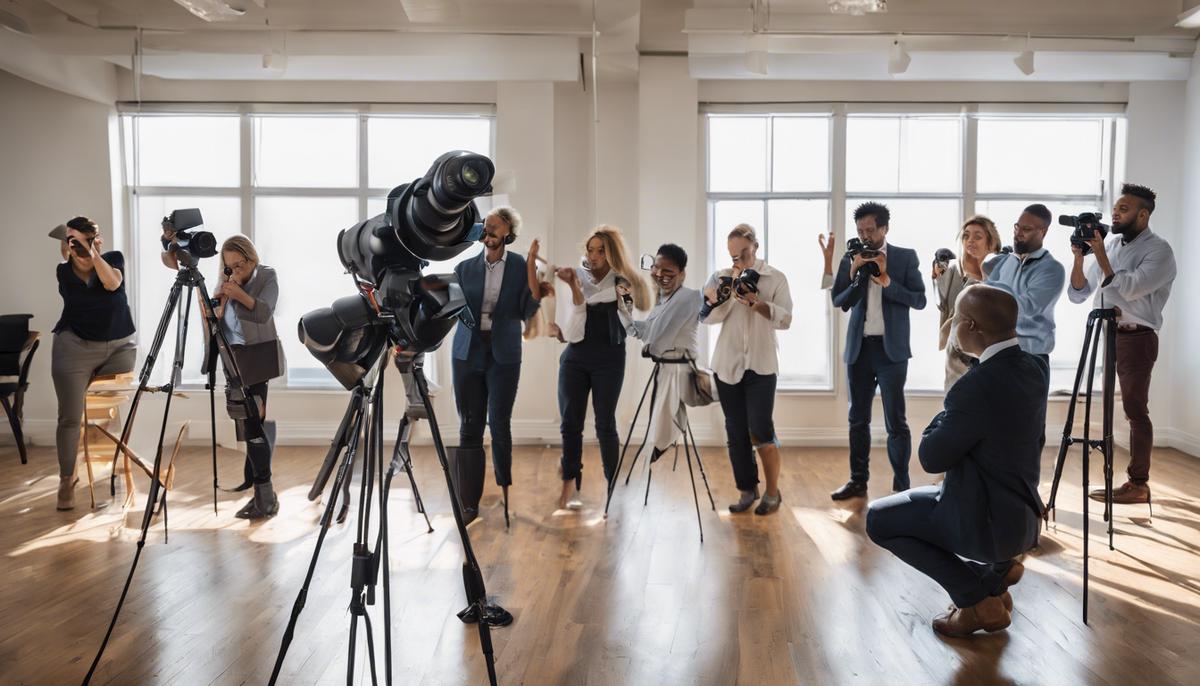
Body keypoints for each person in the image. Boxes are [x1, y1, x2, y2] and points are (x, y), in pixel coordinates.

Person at [866, 285, 1048, 637]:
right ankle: (995, 575)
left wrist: (942, 415)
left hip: (983, 520)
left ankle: (976, 598)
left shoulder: (974, 386)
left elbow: (931, 457)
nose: (950, 324)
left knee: (878, 519)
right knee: (912, 501)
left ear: (971, 327)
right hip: (1022, 515)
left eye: (955, 318)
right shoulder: (1036, 368)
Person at [1068, 183, 1176, 506]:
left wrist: (1100, 255)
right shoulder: (1112, 243)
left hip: (1137, 337)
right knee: (1105, 407)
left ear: (1143, 215)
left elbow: (1129, 288)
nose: (1115, 213)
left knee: (1134, 410)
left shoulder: (1160, 251)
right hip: (1107, 333)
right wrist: (1078, 257)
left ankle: (1138, 483)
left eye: (1124, 209)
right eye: (1115, 208)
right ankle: (1111, 475)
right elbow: (1079, 292)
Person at [449, 206, 548, 524]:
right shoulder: (464, 268)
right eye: (486, 227)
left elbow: (528, 306)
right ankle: (469, 504)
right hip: (467, 352)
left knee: (500, 424)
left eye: (494, 228)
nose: (488, 232)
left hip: (504, 353)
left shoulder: (520, 265)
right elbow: (450, 309)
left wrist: (533, 263)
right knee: (470, 425)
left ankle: (504, 488)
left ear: (508, 233)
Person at [830, 202, 926, 500]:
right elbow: (838, 300)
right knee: (857, 419)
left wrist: (887, 282)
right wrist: (855, 270)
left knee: (895, 422)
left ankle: (901, 484)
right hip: (859, 351)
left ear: (885, 228)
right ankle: (858, 481)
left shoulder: (905, 258)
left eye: (870, 230)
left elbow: (920, 300)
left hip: (891, 353)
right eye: (860, 230)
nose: (865, 236)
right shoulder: (852, 256)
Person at [555, 225, 650, 510]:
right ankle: (569, 482)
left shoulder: (622, 281)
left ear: (611, 254)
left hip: (609, 358)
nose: (594, 256)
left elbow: (631, 317)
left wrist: (624, 294)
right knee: (570, 424)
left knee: (605, 424)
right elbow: (570, 320)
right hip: (575, 357)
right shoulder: (574, 275)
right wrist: (573, 287)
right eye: (590, 249)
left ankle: (613, 484)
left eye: (601, 251)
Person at [701, 224, 792, 515]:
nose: (738, 260)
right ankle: (746, 489)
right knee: (736, 431)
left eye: (744, 253)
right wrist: (724, 294)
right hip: (727, 365)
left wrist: (757, 303)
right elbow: (709, 319)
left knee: (761, 429)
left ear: (755, 247)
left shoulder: (775, 278)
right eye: (733, 255)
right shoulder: (720, 278)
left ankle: (773, 492)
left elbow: (786, 319)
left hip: (762, 366)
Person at [49, 217, 136, 510]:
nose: (74, 246)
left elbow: (111, 283)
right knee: (70, 417)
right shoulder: (64, 272)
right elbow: (76, 266)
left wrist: (93, 252)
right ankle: (66, 478)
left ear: (95, 240)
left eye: (80, 240)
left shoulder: (113, 259)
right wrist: (75, 250)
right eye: (69, 241)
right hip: (74, 347)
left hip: (118, 348)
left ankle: (107, 457)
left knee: (116, 407)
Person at [211, 235, 286, 519]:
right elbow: (219, 320)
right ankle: (259, 488)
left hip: (258, 355)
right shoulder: (226, 280)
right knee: (248, 423)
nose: (233, 270)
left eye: (239, 264)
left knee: (252, 424)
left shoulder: (266, 276)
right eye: (228, 266)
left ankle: (265, 496)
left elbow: (264, 313)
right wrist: (216, 302)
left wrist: (237, 291)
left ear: (251, 258)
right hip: (232, 355)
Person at [627, 243, 702, 462]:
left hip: (679, 370)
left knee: (661, 425)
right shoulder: (662, 300)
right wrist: (624, 310)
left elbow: (655, 339)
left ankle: (657, 447)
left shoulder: (688, 297)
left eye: (668, 271)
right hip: (665, 368)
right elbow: (645, 331)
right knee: (655, 422)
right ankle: (653, 450)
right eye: (656, 269)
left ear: (682, 274)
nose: (660, 274)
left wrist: (646, 342)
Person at [985, 204, 1066, 365]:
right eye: (1017, 227)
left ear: (1043, 232)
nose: (1018, 233)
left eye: (1026, 229)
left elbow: (1027, 307)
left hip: (1030, 358)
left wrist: (992, 294)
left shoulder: (1052, 269)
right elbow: (985, 294)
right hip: (997, 352)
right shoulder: (1006, 261)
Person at [933, 215, 1002, 390]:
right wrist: (936, 276)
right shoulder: (951, 272)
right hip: (957, 359)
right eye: (966, 236)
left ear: (991, 243)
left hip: (990, 356)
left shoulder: (1001, 275)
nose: (970, 241)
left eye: (977, 236)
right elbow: (942, 305)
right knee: (957, 408)